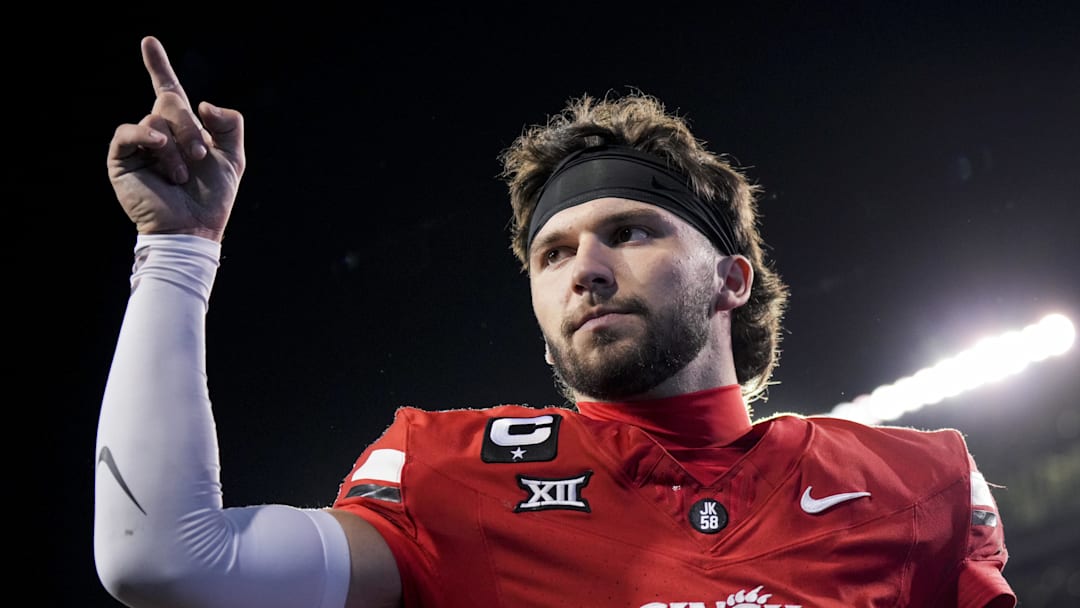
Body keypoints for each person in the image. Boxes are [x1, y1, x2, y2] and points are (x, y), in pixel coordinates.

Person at [94, 36, 1016, 608]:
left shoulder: (915, 481)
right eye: (553, 253)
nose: (588, 271)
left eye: (629, 232)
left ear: (732, 278)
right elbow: (167, 562)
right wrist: (178, 248)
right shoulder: (450, 475)